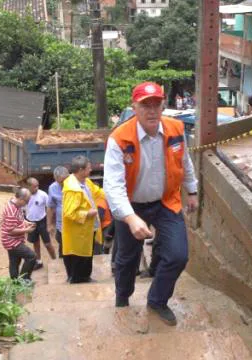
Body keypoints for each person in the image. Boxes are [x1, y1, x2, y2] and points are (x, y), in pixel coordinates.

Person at [104, 81, 199, 326]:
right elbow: (113, 186)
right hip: (132, 205)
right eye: (145, 105)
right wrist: (130, 217)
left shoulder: (176, 128)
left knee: (178, 255)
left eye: (157, 104)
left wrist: (192, 190)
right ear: (134, 107)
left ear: (163, 105)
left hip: (166, 200)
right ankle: (122, 298)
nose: (152, 110)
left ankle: (157, 300)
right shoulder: (119, 139)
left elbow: (184, 162)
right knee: (127, 258)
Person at [62, 155, 105, 284]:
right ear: (80, 170)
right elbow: (69, 213)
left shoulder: (86, 182)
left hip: (86, 229)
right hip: (78, 231)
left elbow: (97, 192)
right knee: (78, 256)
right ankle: (78, 279)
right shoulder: (73, 189)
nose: (90, 170)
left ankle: (85, 277)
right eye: (88, 168)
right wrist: (87, 214)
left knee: (87, 253)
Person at [1, 187, 37, 281]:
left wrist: (26, 222)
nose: (27, 203)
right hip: (11, 241)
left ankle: (15, 282)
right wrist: (26, 230)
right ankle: (24, 279)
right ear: (20, 199)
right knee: (31, 256)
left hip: (13, 240)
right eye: (26, 201)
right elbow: (11, 230)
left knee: (15, 261)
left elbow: (19, 219)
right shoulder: (11, 210)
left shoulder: (16, 205)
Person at [25, 177, 56, 270]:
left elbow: (50, 207)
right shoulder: (25, 195)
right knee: (35, 242)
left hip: (42, 221)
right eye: (34, 186)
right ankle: (38, 261)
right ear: (29, 186)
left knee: (47, 243)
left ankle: (55, 260)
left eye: (37, 186)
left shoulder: (43, 195)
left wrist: (50, 223)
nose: (37, 188)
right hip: (30, 222)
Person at [47, 166, 70, 278]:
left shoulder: (75, 184)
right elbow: (50, 207)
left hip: (75, 224)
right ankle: (64, 272)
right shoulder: (53, 188)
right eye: (59, 182)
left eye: (63, 181)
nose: (62, 184)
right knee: (62, 246)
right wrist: (49, 225)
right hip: (61, 225)